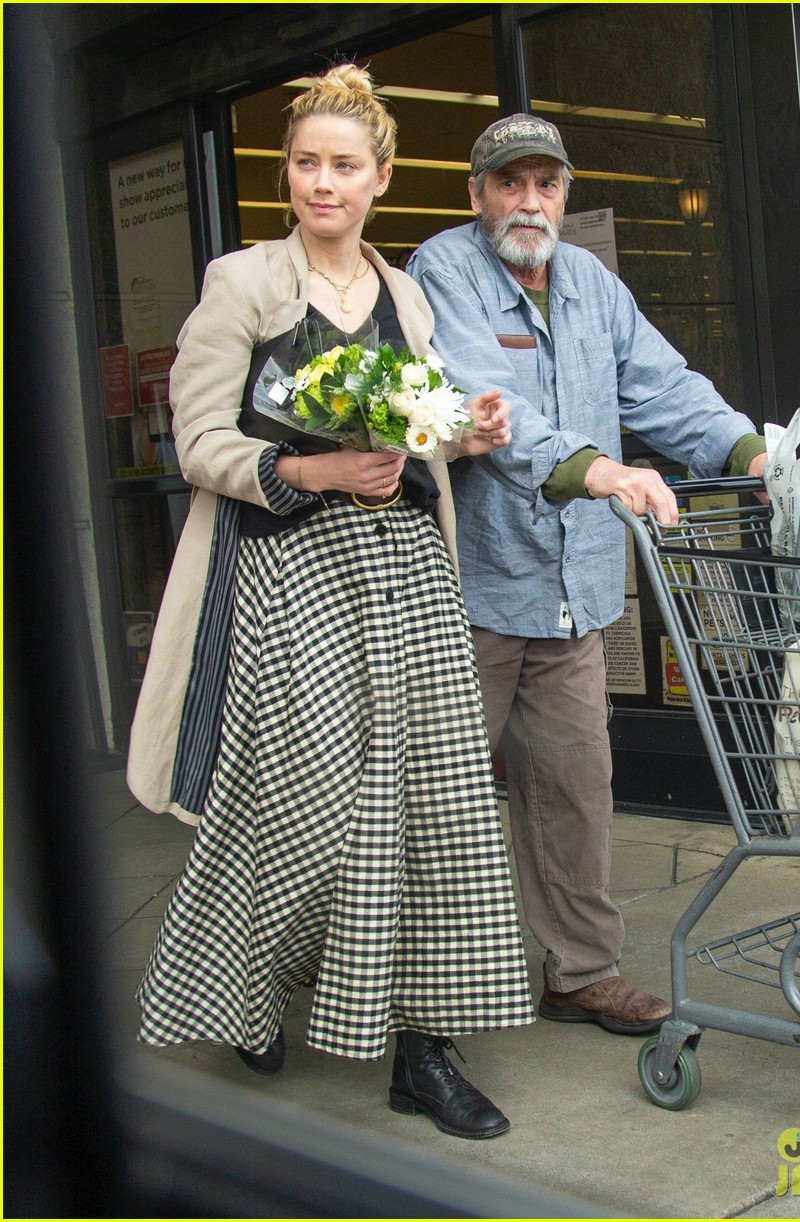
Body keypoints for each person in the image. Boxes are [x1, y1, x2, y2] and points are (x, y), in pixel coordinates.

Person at [127, 66, 536, 1141]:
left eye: (343, 166)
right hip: (288, 574)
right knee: (296, 806)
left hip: (402, 569)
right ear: (288, 177)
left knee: (434, 803)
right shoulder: (245, 281)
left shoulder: (402, 294)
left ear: (380, 179)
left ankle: (421, 1049)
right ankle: (251, 986)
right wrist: (306, 472)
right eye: (306, 163)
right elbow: (201, 439)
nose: (323, 182)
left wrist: (467, 427)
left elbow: (422, 422)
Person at [408, 113, 767, 1037]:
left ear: (564, 193)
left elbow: (663, 385)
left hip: (575, 592)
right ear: (477, 193)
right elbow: (478, 398)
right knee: (434, 800)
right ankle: (410, 991)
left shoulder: (593, 286)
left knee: (574, 786)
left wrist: (753, 451)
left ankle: (580, 971)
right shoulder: (444, 271)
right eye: (510, 182)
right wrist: (598, 468)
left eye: (547, 183)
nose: (530, 200)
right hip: (476, 586)